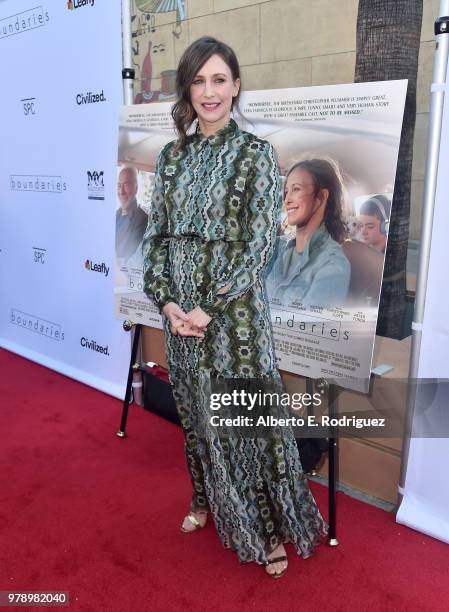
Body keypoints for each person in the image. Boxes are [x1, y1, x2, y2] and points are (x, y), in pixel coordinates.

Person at [142, 36, 327, 579]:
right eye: (198, 81)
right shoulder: (170, 158)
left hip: (235, 318)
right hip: (180, 319)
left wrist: (210, 305)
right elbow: (155, 238)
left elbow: (260, 243)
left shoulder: (256, 155)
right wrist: (170, 301)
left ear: (237, 86)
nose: (209, 91)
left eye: (219, 80)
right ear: (187, 89)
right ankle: (205, 501)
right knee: (198, 419)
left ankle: (268, 531)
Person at [265, 159, 351, 308]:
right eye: (286, 192)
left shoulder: (332, 264)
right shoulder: (276, 247)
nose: (287, 200)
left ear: (321, 197)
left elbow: (310, 328)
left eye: (296, 189)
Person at [116, 166, 148, 261]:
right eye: (119, 185)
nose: (121, 191)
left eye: (126, 185)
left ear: (136, 188)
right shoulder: (114, 215)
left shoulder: (142, 218)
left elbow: (128, 255)